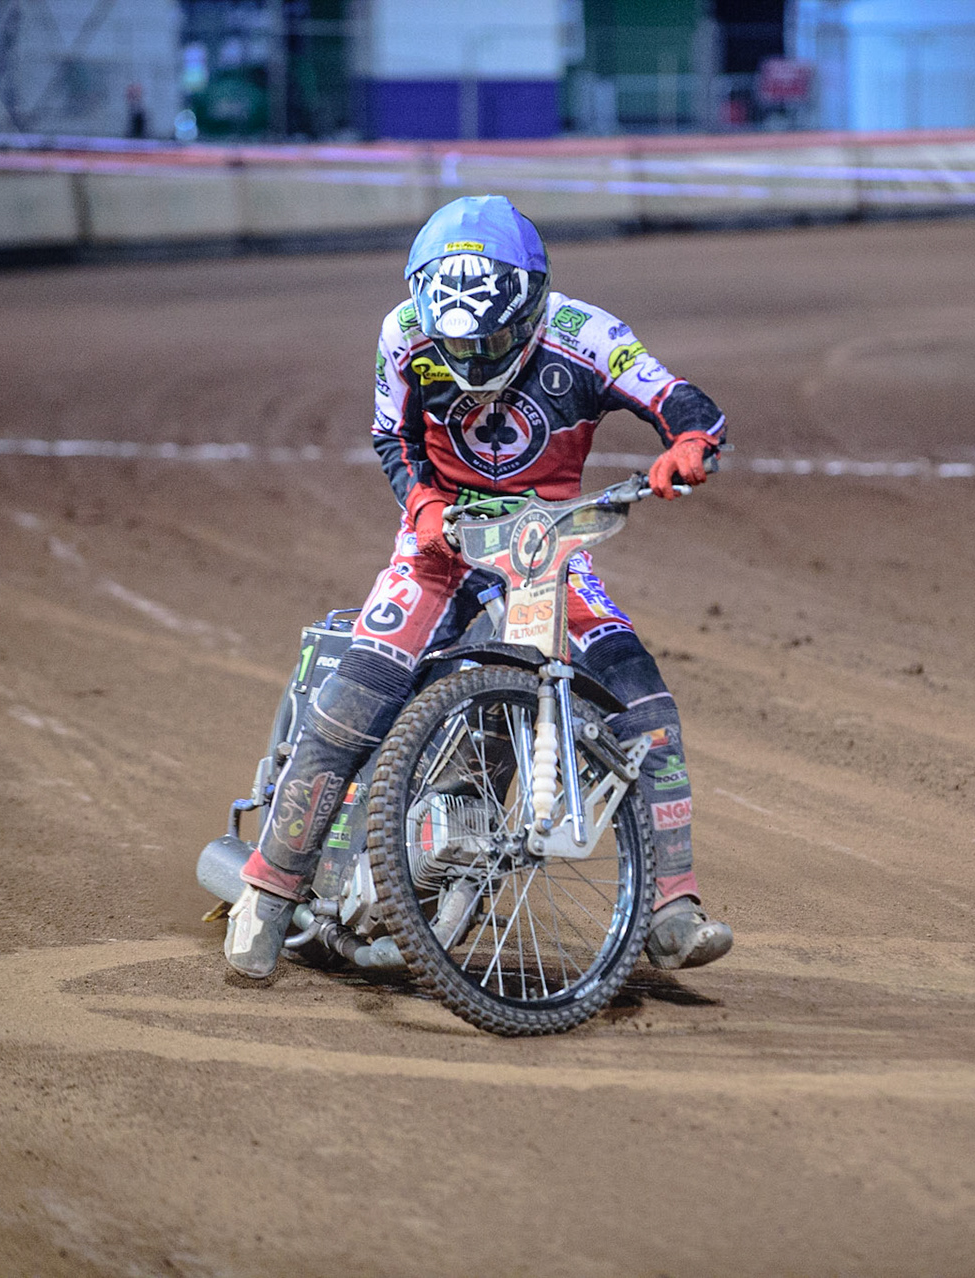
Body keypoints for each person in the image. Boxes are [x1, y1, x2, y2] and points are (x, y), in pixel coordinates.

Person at [224, 194, 734, 981]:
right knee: (355, 697)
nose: (473, 358)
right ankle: (268, 888)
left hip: (545, 545)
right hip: (441, 545)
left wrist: (691, 441)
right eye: (458, 339)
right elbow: (391, 434)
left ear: (531, 307)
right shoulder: (402, 334)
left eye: (493, 337)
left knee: (646, 707)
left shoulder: (586, 335)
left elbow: (677, 398)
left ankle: (671, 907)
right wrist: (424, 503)